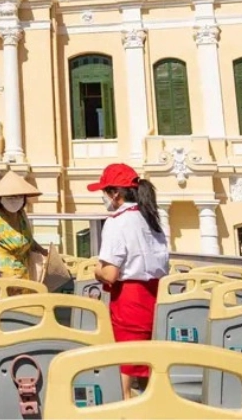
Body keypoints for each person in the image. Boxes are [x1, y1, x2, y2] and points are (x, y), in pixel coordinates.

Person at [91, 163, 169, 398]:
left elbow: (110, 273)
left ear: (115, 193)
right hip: (156, 295)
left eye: (104, 192)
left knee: (124, 364)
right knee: (150, 365)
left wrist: (96, 270)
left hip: (129, 299)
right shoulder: (152, 219)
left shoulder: (117, 221)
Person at [0, 171, 49, 280]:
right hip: (2, 281)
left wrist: (44, 251)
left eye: (18, 197)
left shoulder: (22, 217)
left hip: (25, 278)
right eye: (10, 197)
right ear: (1, 199)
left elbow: (29, 240)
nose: (14, 201)